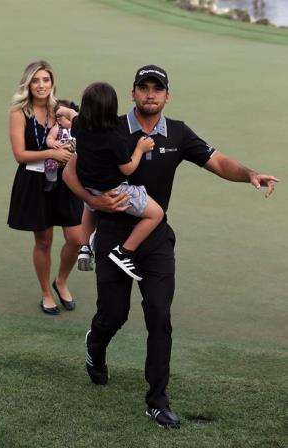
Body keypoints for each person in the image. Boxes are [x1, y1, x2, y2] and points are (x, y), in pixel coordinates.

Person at [63, 64, 278, 428]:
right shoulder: (108, 126)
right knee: (113, 315)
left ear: (166, 96)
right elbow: (71, 171)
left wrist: (249, 174)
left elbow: (218, 161)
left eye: (156, 89)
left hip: (156, 238)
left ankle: (157, 398)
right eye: (143, 88)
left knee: (159, 315)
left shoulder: (177, 133)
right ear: (132, 93)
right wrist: (94, 202)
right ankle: (95, 346)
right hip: (114, 234)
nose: (150, 94)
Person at [59, 82, 164, 281]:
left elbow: (74, 116)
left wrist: (63, 109)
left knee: (90, 208)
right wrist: (140, 149)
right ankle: (124, 251)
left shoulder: (80, 126)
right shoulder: (114, 137)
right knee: (156, 214)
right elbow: (127, 168)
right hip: (114, 192)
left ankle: (84, 247)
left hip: (89, 186)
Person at [7, 60, 84, 315]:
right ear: (28, 83)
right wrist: (51, 152)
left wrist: (71, 148)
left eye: (46, 80)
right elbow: (20, 154)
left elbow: (82, 136)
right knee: (44, 240)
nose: (41, 85)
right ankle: (46, 292)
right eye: (36, 80)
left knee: (76, 238)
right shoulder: (19, 112)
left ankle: (60, 280)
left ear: (52, 82)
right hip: (35, 181)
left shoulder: (61, 109)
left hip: (66, 181)